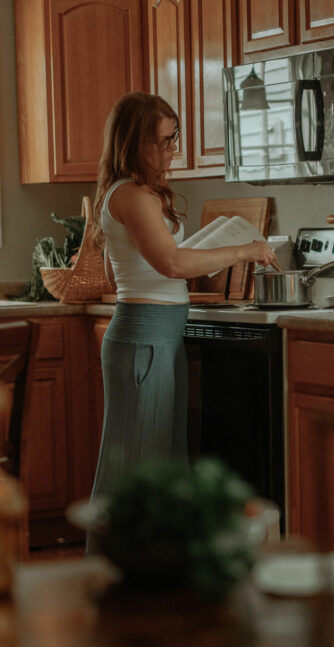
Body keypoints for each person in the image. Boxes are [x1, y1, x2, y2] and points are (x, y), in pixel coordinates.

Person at [88, 92, 277, 514]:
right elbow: (173, 264)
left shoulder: (125, 193)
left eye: (174, 138)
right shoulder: (134, 197)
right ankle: (129, 573)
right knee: (142, 472)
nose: (172, 150)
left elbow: (114, 274)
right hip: (145, 338)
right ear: (133, 142)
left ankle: (153, 572)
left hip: (156, 337)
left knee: (157, 466)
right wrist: (244, 251)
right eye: (163, 141)